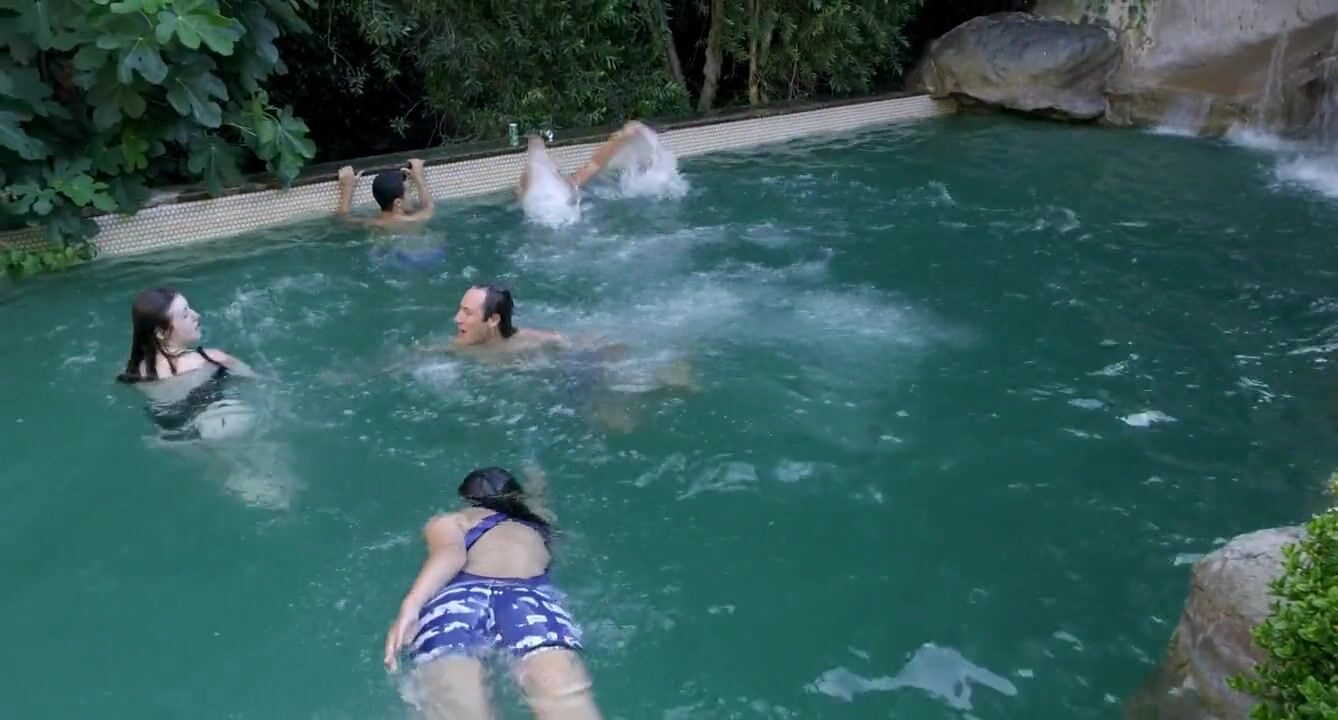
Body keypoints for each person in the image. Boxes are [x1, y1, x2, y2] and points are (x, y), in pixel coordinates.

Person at [384, 466, 602, 720]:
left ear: (467, 499)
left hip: (462, 603)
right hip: (529, 604)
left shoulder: (456, 519)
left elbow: (451, 553)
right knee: (567, 705)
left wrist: (411, 605)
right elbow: (539, 499)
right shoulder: (538, 526)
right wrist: (535, 475)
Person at [116, 287, 257, 441]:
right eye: (185, 315)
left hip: (170, 435)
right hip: (222, 424)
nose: (196, 315)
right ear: (161, 332)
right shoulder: (213, 359)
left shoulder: (132, 372)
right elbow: (254, 381)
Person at [450, 284, 567, 357]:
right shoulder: (461, 346)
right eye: (460, 309)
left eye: (468, 313)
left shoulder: (530, 346)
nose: (457, 318)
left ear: (493, 320)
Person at [336, 158, 435, 226]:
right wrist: (418, 177)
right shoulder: (412, 220)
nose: (412, 196)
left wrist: (347, 187)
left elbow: (343, 218)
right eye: (408, 192)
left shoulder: (374, 223)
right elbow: (429, 206)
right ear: (398, 203)